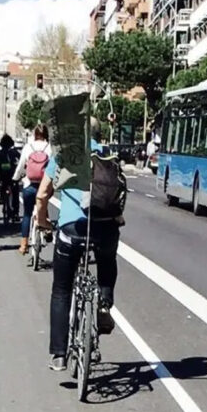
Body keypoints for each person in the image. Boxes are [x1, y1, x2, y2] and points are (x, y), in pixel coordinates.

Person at [36, 118, 120, 372]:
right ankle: (104, 303)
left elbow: (42, 195)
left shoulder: (64, 156)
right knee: (107, 260)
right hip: (104, 227)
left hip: (72, 230)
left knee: (62, 289)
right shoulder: (109, 155)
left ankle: (59, 354)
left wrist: (43, 222)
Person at [13, 124, 52, 255]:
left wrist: (15, 178)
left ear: (35, 134)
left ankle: (24, 245)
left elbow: (20, 167)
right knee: (44, 203)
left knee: (27, 214)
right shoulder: (50, 148)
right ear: (46, 135)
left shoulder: (28, 147)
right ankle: (47, 229)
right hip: (44, 186)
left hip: (29, 185)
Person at [0, 134, 21, 220]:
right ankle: (16, 213)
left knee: (3, 185)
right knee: (15, 192)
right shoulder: (14, 152)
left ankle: (2, 198)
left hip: (3, 175)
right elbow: (20, 161)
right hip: (12, 175)